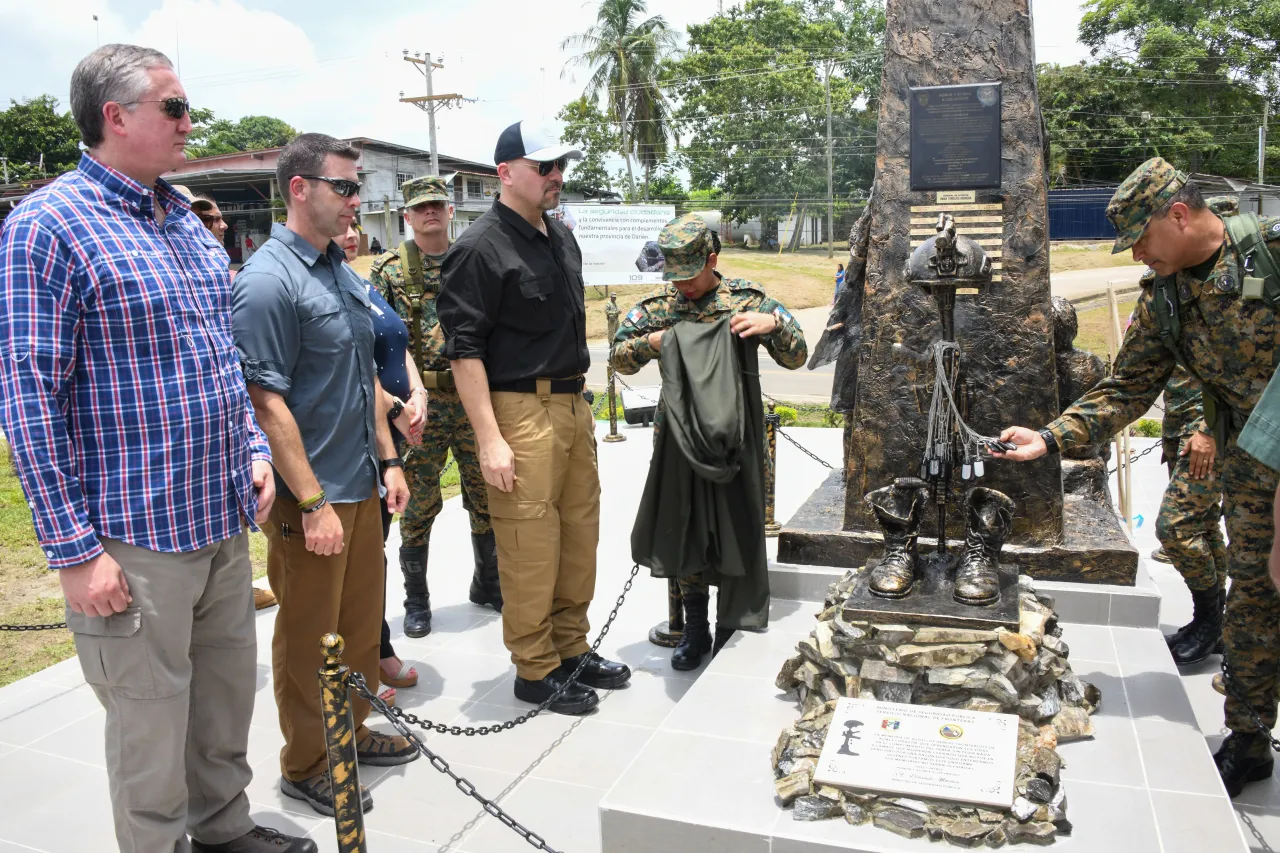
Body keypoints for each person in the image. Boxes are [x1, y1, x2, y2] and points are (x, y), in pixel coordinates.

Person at [0, 44, 314, 853]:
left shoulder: (185, 218)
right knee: (147, 726)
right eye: (173, 107)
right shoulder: (46, 226)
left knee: (219, 700)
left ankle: (223, 828)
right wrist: (74, 551)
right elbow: (28, 400)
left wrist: (251, 445)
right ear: (116, 116)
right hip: (131, 536)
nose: (189, 121)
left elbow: (220, 355)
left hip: (217, 517)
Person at [995, 157, 1280, 797]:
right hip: (1253, 469)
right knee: (1256, 603)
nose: (1136, 258)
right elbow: (1126, 388)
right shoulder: (1168, 299)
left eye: (1140, 241)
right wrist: (1048, 437)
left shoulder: (1271, 255)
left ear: (1178, 215)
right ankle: (1250, 740)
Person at [231, 132, 419, 817]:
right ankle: (308, 760)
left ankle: (353, 730)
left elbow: (360, 372)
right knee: (310, 635)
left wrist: (390, 455)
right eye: (344, 187)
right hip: (312, 497)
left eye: (357, 187)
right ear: (299, 189)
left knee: (361, 627)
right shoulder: (267, 281)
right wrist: (310, 502)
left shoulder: (336, 269)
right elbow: (266, 400)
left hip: (360, 483)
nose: (356, 201)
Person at [437, 120, 631, 715]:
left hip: (571, 404)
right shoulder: (477, 247)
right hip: (518, 409)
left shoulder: (558, 236)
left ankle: (571, 648)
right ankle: (535, 666)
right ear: (505, 173)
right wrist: (489, 439)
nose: (556, 177)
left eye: (559, 167)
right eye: (543, 167)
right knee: (530, 542)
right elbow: (464, 351)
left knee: (578, 534)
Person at [612, 213, 808, 669]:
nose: (682, 287)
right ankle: (694, 628)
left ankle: (730, 624)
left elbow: (798, 356)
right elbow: (620, 357)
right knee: (686, 529)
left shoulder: (746, 299)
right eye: (674, 277)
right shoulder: (657, 307)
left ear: (712, 260)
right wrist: (653, 343)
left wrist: (772, 326)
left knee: (736, 526)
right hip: (678, 439)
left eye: (690, 276)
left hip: (735, 439)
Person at [369, 176, 502, 640]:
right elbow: (375, 342)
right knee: (419, 502)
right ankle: (417, 600)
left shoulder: (474, 261)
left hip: (472, 402)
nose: (430, 213)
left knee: (486, 495)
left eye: (437, 206)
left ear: (449, 212)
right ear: (407, 215)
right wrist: (395, 406)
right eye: (420, 207)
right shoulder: (389, 269)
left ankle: (488, 583)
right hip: (418, 406)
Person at [339, 222, 425, 706]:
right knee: (364, 558)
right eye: (344, 224)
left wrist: (419, 392)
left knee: (375, 551)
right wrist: (394, 405)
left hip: (390, 436)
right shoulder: (327, 287)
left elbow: (398, 342)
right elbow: (355, 365)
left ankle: (376, 646)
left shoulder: (361, 282)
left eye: (357, 225)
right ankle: (367, 654)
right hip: (362, 438)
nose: (352, 233)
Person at [1154, 363, 1229, 665]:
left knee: (1175, 526)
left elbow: (1236, 369)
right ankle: (1216, 626)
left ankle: (1209, 622)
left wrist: (1209, 431)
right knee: (1205, 525)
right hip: (1181, 424)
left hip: (1207, 427)